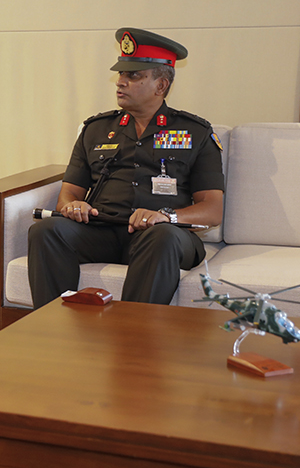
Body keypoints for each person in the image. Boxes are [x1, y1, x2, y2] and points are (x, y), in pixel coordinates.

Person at [27, 28, 225, 307]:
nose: (121, 82)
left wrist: (165, 216)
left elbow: (212, 209)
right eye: (121, 74)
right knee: (46, 231)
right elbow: (68, 193)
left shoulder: (195, 132)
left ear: (160, 86)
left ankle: (132, 338)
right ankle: (54, 328)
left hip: (162, 237)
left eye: (133, 76)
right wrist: (73, 206)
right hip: (102, 231)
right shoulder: (95, 129)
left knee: (163, 237)